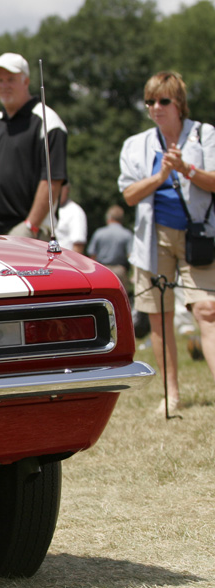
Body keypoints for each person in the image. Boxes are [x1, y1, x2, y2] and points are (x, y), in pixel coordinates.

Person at [118, 71, 215, 415]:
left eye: (163, 101)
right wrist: (159, 177)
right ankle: (170, 394)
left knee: (207, 311)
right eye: (150, 101)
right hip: (152, 238)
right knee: (159, 317)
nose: (155, 107)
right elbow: (128, 195)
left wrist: (186, 169)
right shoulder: (136, 144)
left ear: (179, 105)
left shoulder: (205, 136)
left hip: (198, 237)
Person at [0, 52, 68, 238]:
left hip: (30, 233)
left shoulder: (47, 121)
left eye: (11, 79)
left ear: (26, 81)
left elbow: (52, 180)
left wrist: (30, 226)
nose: (4, 85)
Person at [88, 205, 133, 293]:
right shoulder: (127, 234)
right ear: (121, 219)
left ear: (108, 219)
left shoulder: (99, 233)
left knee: (101, 295)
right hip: (120, 271)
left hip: (102, 270)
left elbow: (92, 254)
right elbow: (130, 255)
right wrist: (134, 274)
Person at [55, 184, 87, 253]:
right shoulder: (49, 209)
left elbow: (78, 245)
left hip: (64, 261)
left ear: (67, 189)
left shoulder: (75, 211)